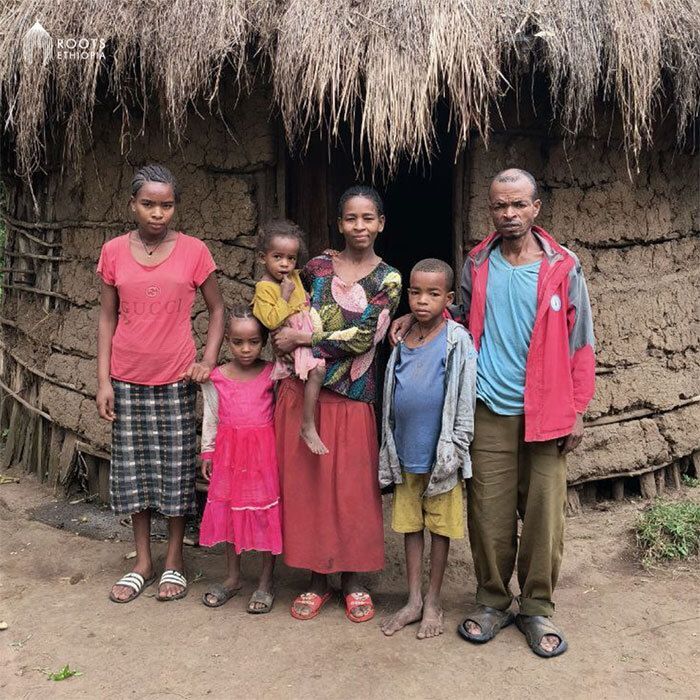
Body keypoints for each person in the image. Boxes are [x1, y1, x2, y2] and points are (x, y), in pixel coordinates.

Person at [390, 168, 595, 657]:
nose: (509, 214)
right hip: (487, 406)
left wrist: (579, 408)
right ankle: (492, 600)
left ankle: (537, 605)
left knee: (544, 515)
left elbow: (580, 341)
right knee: (488, 514)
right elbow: (458, 316)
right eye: (500, 205)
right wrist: (412, 316)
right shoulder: (478, 263)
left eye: (518, 204)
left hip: (547, 410)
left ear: (536, 208)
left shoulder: (564, 267)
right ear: (490, 209)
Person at [272, 185, 401, 622]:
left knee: (352, 490)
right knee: (307, 488)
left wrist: (303, 338)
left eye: (368, 218)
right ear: (339, 222)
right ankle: (315, 578)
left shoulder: (389, 279)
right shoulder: (316, 267)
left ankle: (354, 579)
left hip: (353, 396)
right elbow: (287, 305)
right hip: (302, 392)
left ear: (381, 223)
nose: (359, 226)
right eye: (351, 218)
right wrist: (277, 334)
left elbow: (365, 336)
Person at [97, 164, 225, 604]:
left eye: (166, 205)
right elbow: (107, 317)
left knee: (174, 470)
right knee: (133, 472)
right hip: (126, 376)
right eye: (148, 204)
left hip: (175, 376)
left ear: (175, 207)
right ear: (132, 205)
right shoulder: (113, 251)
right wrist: (103, 380)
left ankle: (174, 560)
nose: (157, 213)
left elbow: (218, 309)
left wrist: (207, 359)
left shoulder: (193, 251)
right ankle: (142, 561)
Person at [379, 258, 477, 640]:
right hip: (404, 454)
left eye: (433, 294)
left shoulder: (457, 340)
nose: (423, 301)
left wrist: (457, 447)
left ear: (448, 298)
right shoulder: (402, 338)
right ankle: (414, 599)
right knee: (410, 527)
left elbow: (465, 401)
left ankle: (434, 600)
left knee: (440, 529)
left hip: (441, 458)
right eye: (416, 293)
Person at [198, 306, 282, 614]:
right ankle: (233, 577)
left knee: (263, 513)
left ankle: (265, 581)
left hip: (263, 457)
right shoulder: (216, 378)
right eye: (237, 342)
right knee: (231, 512)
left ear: (264, 342)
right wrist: (207, 451)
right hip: (229, 456)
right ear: (227, 342)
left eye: (254, 342)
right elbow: (211, 417)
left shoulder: (273, 374)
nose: (246, 349)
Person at [252, 220, 327, 455]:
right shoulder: (264, 288)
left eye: (291, 258)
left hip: (304, 331)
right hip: (287, 337)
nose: (285, 264)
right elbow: (271, 321)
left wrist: (328, 256)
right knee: (318, 370)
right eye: (277, 257)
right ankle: (307, 424)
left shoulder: (294, 275)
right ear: (262, 258)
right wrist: (283, 297)